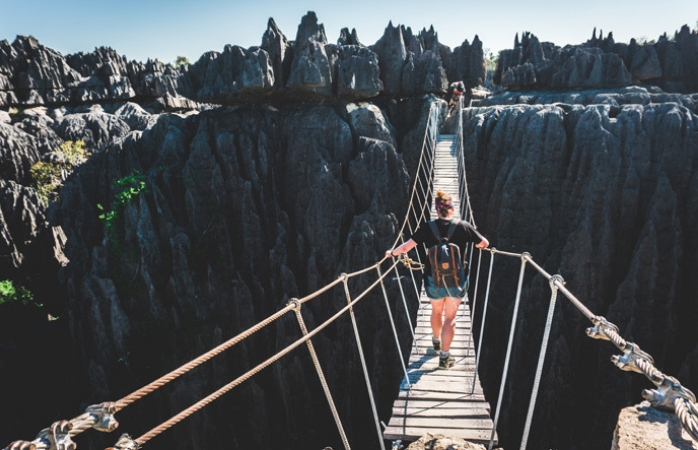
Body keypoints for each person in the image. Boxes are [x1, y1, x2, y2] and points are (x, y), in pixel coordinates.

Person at [386, 190, 489, 369]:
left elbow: (406, 248)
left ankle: (435, 342)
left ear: (437, 209)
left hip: (433, 279)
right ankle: (444, 357)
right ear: (452, 209)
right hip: (457, 280)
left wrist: (391, 253)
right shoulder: (463, 226)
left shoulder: (428, 227)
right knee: (450, 318)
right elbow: (484, 243)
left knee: (436, 312)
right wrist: (476, 244)